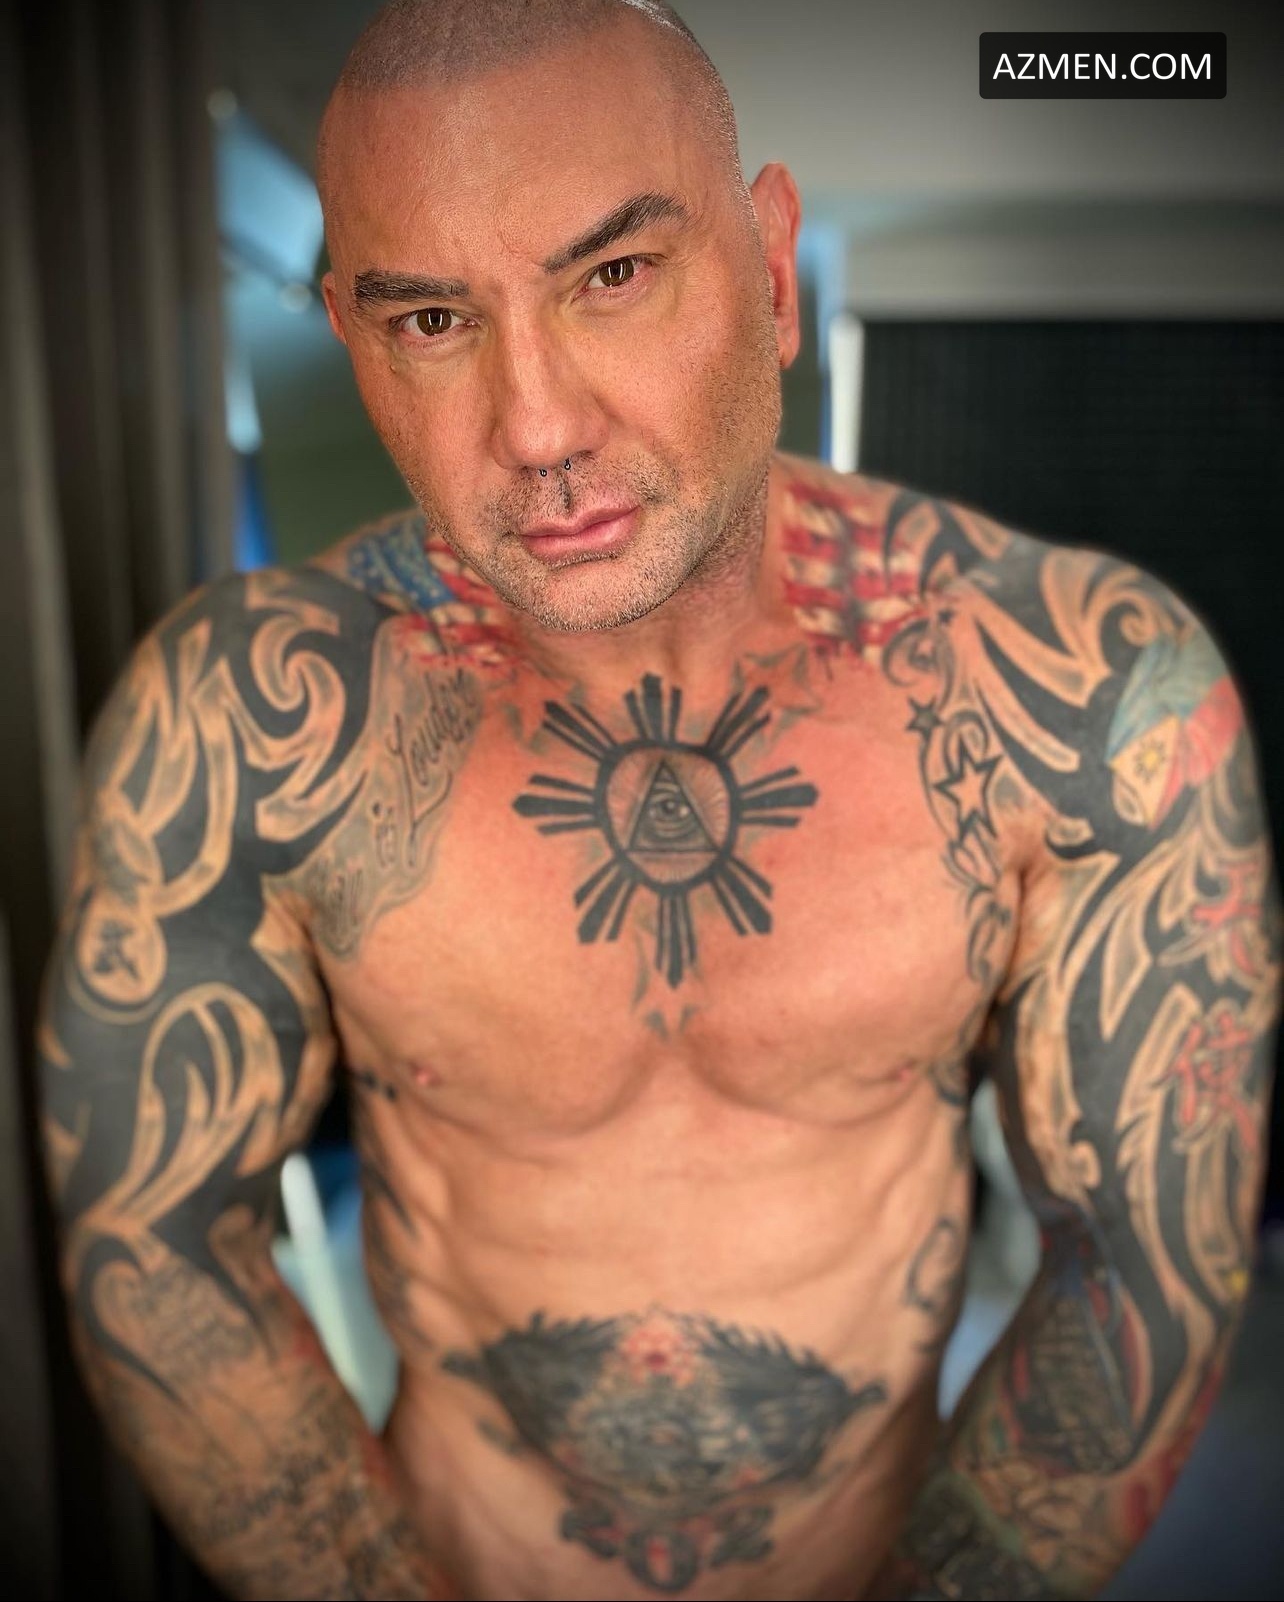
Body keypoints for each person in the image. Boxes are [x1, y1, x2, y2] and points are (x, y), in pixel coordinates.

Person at [37, 2, 1280, 1598]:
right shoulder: (251, 717)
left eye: (614, 274)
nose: (538, 428)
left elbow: (1141, 1268)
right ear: (351, 334)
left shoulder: (1079, 694)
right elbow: (156, 1244)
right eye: (433, 320)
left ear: (771, 272)